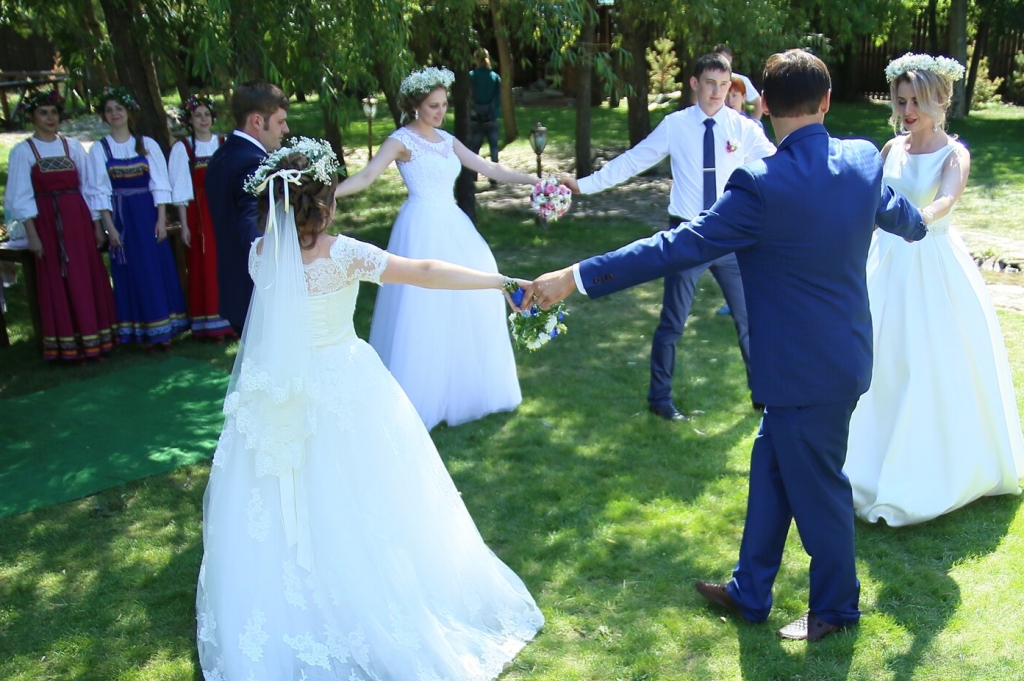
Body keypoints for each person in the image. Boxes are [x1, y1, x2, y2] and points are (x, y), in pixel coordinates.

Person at [523, 49, 927, 641]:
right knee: (770, 472)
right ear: (826, 101)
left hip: (804, 376)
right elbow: (898, 213)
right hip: (834, 360)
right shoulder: (864, 159)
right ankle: (750, 591)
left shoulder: (761, 184)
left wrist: (574, 277)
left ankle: (838, 610)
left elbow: (675, 246)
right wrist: (923, 223)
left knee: (820, 493)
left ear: (764, 107)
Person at [196, 141, 544, 680]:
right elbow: (424, 270)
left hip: (279, 391)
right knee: (369, 496)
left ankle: (295, 603)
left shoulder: (260, 253)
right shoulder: (343, 254)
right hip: (344, 384)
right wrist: (498, 281)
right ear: (327, 204)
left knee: (286, 496)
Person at [843, 53, 1024, 526]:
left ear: (941, 102)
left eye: (917, 102)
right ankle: (864, 461)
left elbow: (945, 200)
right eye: (901, 101)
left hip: (932, 264)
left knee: (925, 362)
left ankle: (931, 470)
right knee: (878, 360)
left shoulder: (954, 154)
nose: (907, 111)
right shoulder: (890, 148)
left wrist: (914, 219)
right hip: (884, 263)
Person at [563, 53, 776, 421]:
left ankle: (764, 395)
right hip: (687, 235)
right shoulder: (676, 125)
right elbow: (633, 160)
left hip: (730, 237)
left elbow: (778, 163)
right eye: (709, 83)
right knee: (672, 322)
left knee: (750, 319)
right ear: (695, 84)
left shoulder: (742, 128)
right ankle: (659, 399)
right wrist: (584, 185)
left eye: (723, 85)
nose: (716, 92)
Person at [335, 66, 539, 430]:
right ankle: (419, 395)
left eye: (444, 105)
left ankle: (466, 390)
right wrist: (326, 195)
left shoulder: (447, 140)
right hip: (420, 227)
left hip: (454, 224)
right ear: (416, 105)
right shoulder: (400, 140)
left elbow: (488, 167)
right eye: (433, 106)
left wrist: (533, 179)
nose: (440, 112)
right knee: (422, 307)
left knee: (474, 294)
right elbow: (367, 176)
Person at [4, 89, 116, 360]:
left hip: (77, 221)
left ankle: (95, 340)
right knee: (58, 279)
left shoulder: (72, 147)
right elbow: (20, 197)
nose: (50, 118)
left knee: (84, 276)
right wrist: (32, 235)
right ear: (32, 117)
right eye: (43, 113)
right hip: (47, 224)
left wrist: (96, 226)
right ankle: (68, 345)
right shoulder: (24, 151)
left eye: (53, 112)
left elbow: (88, 188)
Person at [86, 87, 188, 349]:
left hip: (147, 215)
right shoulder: (100, 150)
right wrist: (110, 228)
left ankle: (163, 329)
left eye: (119, 109)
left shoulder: (146, 144)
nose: (114, 114)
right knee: (131, 271)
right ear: (104, 116)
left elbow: (159, 183)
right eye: (109, 110)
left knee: (154, 269)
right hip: (122, 219)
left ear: (129, 112)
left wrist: (161, 219)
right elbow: (99, 191)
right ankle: (141, 331)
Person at [205, 79, 290, 335]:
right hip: (257, 297)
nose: (285, 129)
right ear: (257, 121)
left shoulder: (221, 156)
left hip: (234, 291)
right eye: (280, 121)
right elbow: (253, 225)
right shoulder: (253, 164)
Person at [168, 94, 234, 341]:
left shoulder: (224, 143)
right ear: (190, 120)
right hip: (199, 214)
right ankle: (210, 323)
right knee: (205, 265)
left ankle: (232, 320)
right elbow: (181, 189)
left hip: (223, 210)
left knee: (228, 263)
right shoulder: (183, 148)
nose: (203, 119)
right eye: (198, 115)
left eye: (207, 114)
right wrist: (184, 225)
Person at [469, 48, 502, 186]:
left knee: (474, 148)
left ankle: (473, 177)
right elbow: (497, 99)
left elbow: (470, 96)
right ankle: (493, 177)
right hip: (491, 117)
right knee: (494, 148)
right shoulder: (495, 77)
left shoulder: (472, 76)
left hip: (476, 117)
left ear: (476, 59)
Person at [714, 44, 763, 120]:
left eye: (723, 60)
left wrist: (754, 124)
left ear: (730, 59)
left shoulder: (741, 80)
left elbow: (759, 104)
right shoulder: (706, 81)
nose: (720, 63)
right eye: (717, 60)